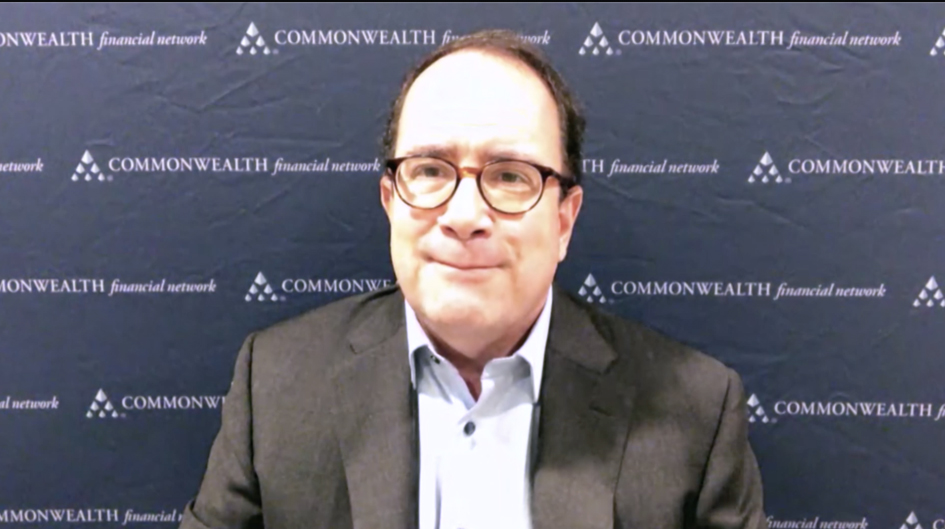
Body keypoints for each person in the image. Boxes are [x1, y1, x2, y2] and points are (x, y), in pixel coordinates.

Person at [180, 29, 766, 529]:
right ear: (390, 202)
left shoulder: (695, 413)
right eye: (430, 170)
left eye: (510, 176)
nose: (463, 216)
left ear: (564, 220)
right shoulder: (276, 384)